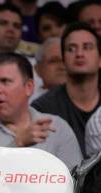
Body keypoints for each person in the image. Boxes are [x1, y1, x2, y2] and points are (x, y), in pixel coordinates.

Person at [0, 52, 81, 169]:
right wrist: (18, 144)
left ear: (29, 87)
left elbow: (77, 180)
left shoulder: (56, 127)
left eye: (5, 81)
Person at [32, 22, 100, 157]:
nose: (79, 54)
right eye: (71, 49)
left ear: (100, 59)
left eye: (87, 47)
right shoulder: (43, 107)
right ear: (63, 60)